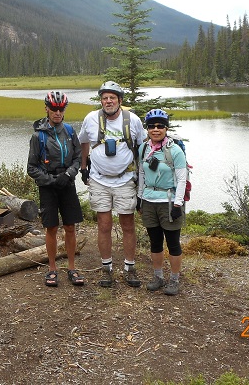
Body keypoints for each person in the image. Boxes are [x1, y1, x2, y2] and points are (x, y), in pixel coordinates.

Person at [78, 81, 146, 287]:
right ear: (101, 101)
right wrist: (83, 167)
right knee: (104, 224)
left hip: (125, 179)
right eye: (105, 98)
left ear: (120, 100)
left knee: (128, 224)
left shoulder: (133, 120)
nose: (108, 101)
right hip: (99, 179)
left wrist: (143, 178)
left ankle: (129, 268)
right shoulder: (91, 119)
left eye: (112, 98)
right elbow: (83, 142)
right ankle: (106, 269)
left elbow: (143, 148)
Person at [27, 90, 85, 287]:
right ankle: (52, 269)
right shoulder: (38, 136)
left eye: (61, 109)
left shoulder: (69, 131)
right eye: (54, 109)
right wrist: (51, 180)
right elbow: (31, 168)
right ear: (47, 109)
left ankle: (72, 268)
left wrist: (68, 174)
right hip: (48, 186)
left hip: (67, 183)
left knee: (70, 227)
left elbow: (78, 156)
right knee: (51, 227)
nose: (57, 112)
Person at [137, 108, 186, 295]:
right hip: (149, 200)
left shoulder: (175, 151)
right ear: (147, 129)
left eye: (160, 126)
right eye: (151, 126)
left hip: (169, 201)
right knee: (155, 242)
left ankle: (174, 280)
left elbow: (182, 179)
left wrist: (178, 204)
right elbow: (141, 174)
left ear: (166, 128)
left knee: (173, 243)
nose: (155, 129)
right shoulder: (144, 149)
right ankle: (158, 277)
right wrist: (139, 198)